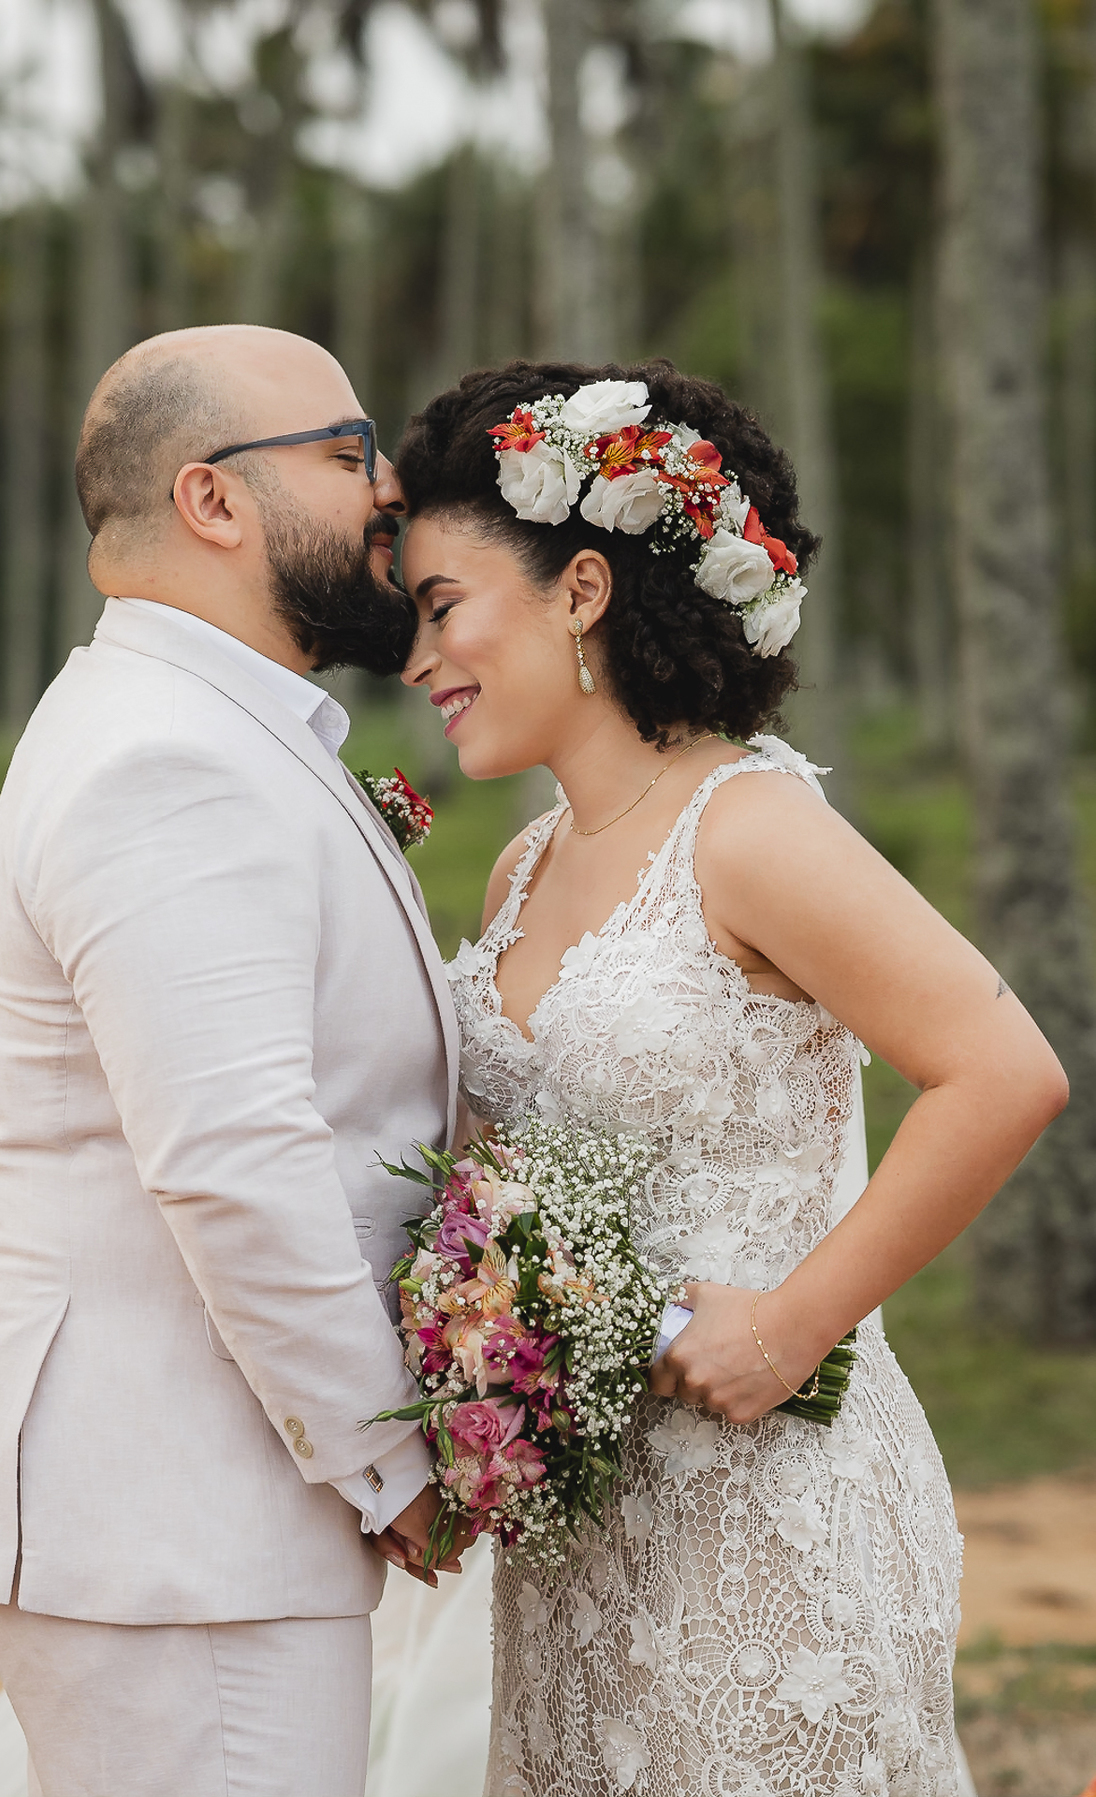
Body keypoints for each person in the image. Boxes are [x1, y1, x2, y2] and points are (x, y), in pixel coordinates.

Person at [398, 358, 1068, 1797]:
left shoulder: (750, 825)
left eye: (443, 605)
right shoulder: (522, 865)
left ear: (581, 591)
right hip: (581, 1543)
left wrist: (794, 1324)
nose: (417, 658)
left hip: (768, 1521)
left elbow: (1004, 1070)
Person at [0, 324, 459, 1797]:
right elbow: (234, 1161)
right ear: (214, 500)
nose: (391, 487)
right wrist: (392, 1461)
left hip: (186, 1518)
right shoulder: (169, 759)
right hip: (176, 1520)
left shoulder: (201, 725)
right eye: (349, 455)